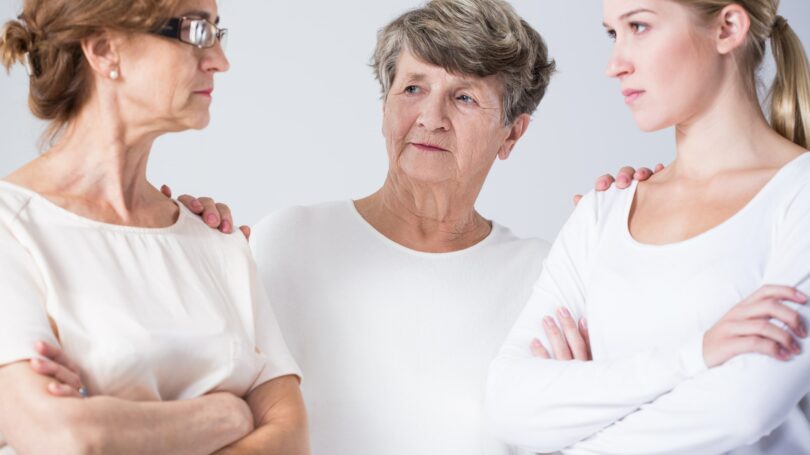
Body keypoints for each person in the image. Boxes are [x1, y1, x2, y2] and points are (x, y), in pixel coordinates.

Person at [25, 0, 655, 453]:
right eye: (412, 88)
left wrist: (646, 224)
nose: (430, 117)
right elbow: (198, 380)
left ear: (513, 134)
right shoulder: (285, 240)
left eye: (464, 98)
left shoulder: (552, 278)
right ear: (384, 106)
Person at [486, 0, 810, 453]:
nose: (614, 65)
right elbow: (510, 409)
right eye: (612, 34)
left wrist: (578, 409)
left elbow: (742, 410)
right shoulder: (602, 212)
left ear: (728, 27)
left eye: (639, 26)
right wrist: (695, 356)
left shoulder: (799, 196)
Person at [0, 1, 307, 454]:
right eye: (196, 31)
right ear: (105, 50)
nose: (220, 61)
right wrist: (228, 414)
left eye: (218, 33)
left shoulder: (214, 239)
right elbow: (67, 436)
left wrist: (120, 425)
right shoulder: (12, 227)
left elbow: (292, 438)